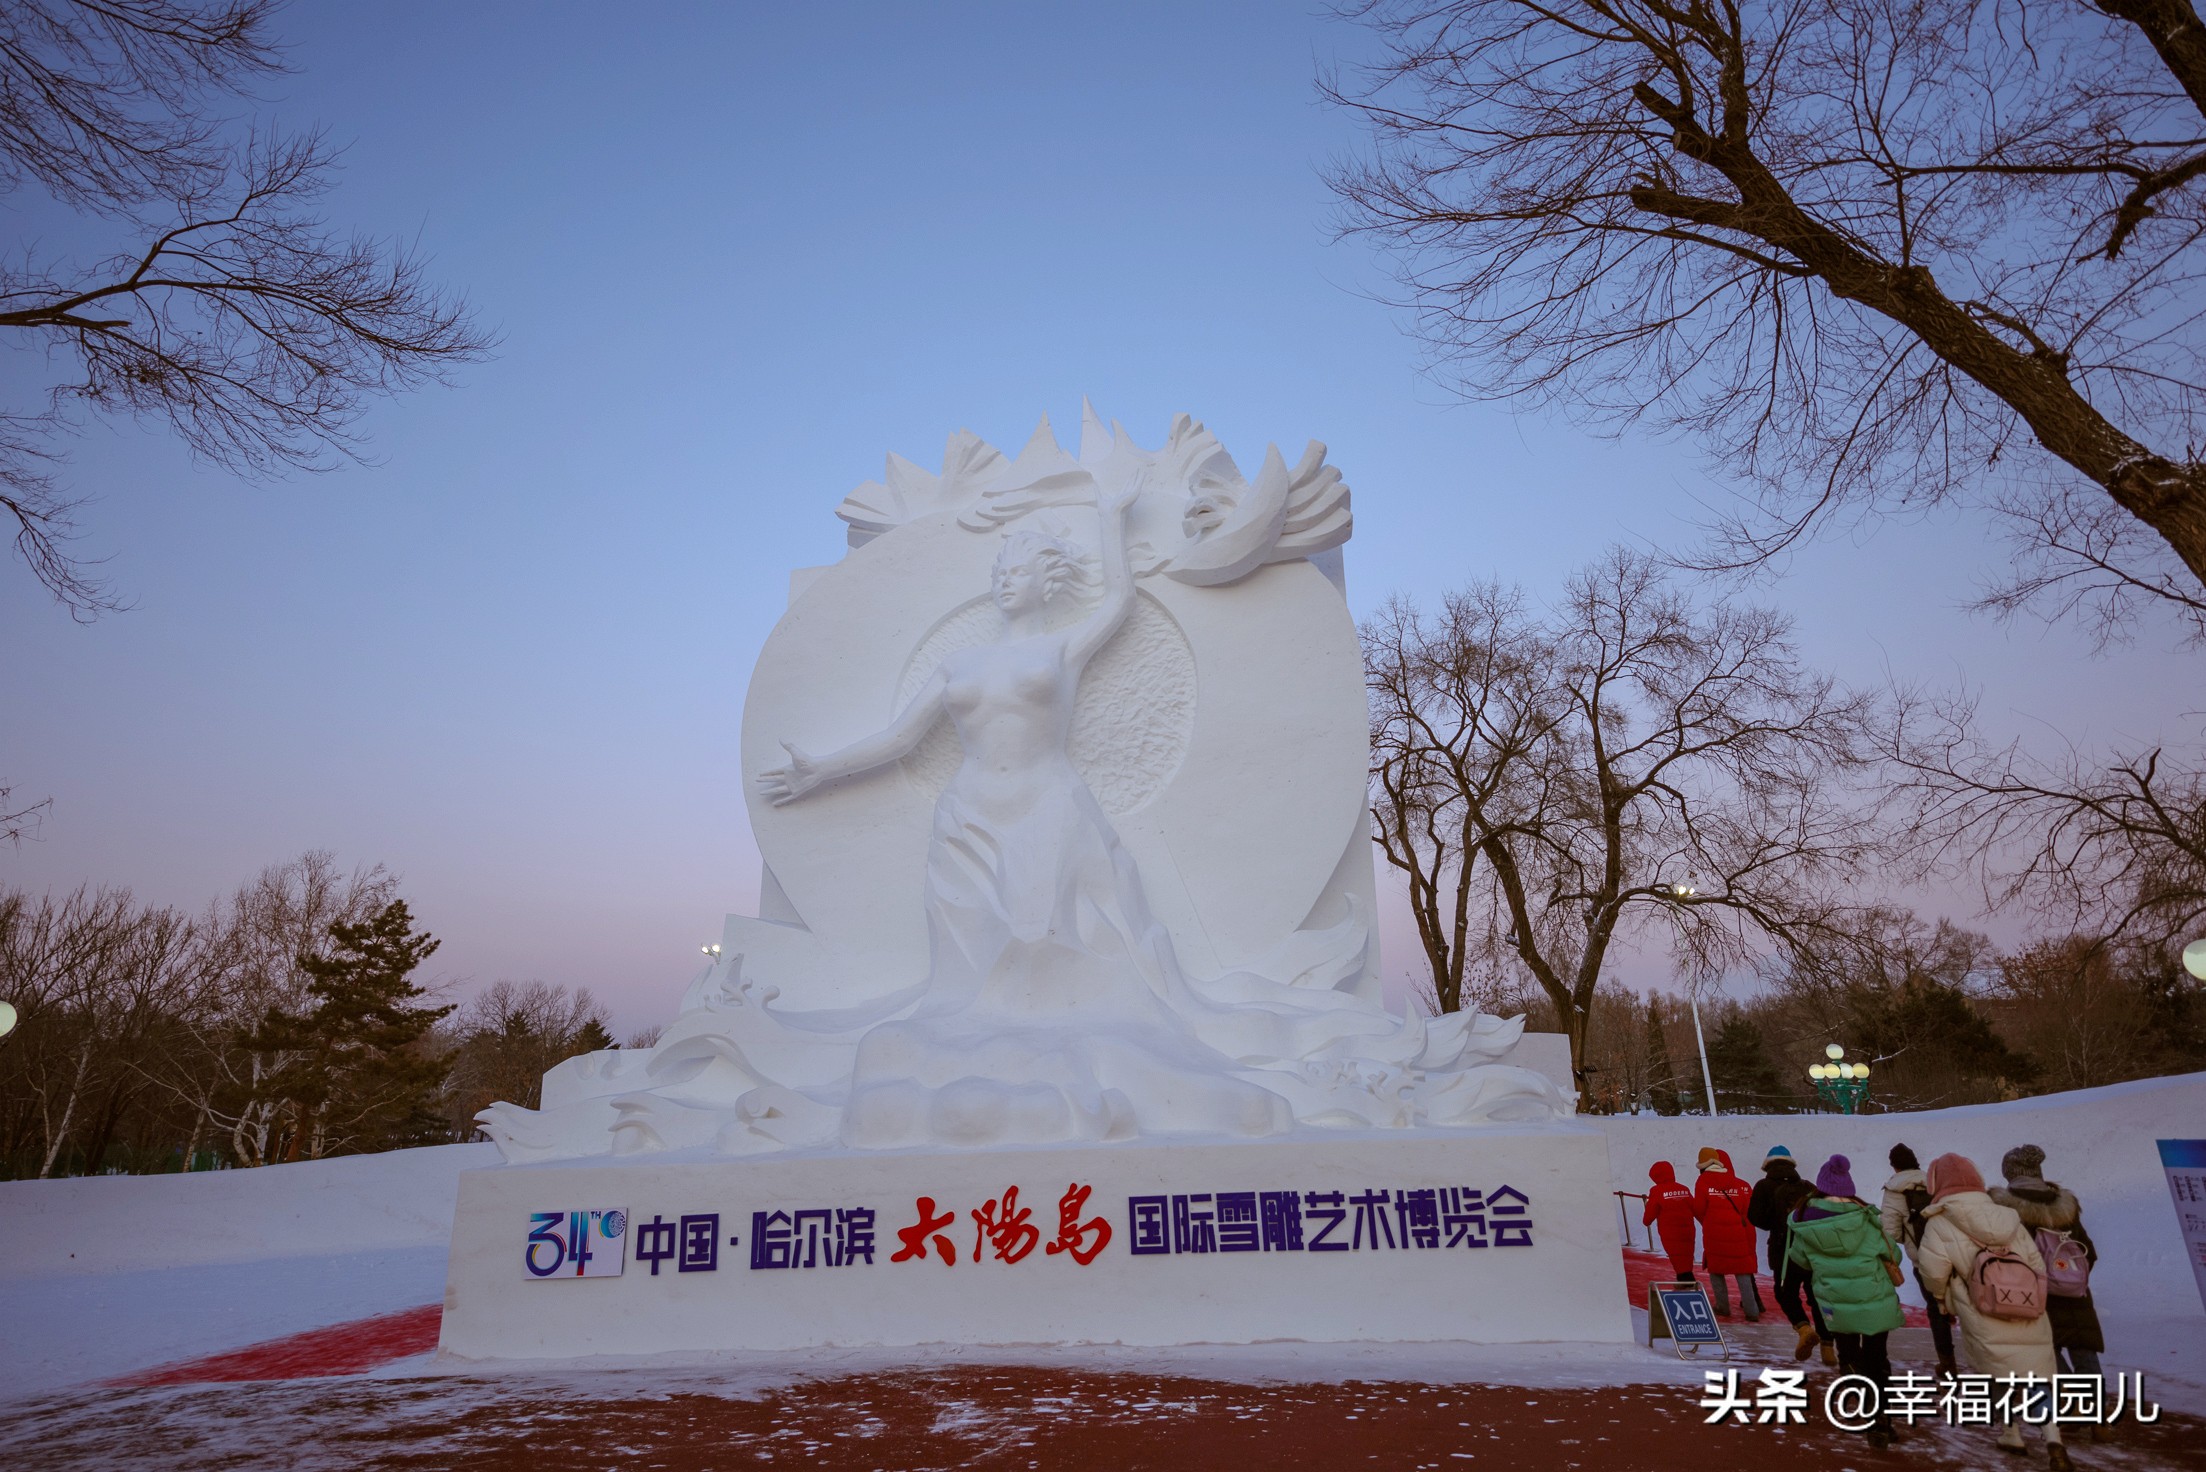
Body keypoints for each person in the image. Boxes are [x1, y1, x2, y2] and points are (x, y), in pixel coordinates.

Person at [1916, 1153, 2070, 1469]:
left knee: (1995, 1370)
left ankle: (2011, 1432)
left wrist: (1944, 1299)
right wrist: (2032, 1295)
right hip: (2027, 1306)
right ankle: (2053, 1437)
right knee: (2036, 1372)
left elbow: (1933, 1272)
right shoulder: (2007, 1215)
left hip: (1980, 1307)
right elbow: (2036, 1263)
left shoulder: (1940, 1222)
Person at [1786, 1153, 1905, 1448]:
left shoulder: (1804, 1221)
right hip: (1875, 1297)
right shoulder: (1866, 1218)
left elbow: (1799, 1260)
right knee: (1878, 1358)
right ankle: (1881, 1420)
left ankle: (1863, 1402)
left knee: (1849, 1355)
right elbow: (1895, 1255)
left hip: (1834, 1301)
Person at [1991, 1144, 2107, 1438]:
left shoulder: (2006, 1207)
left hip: (2036, 1294)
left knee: (2047, 1348)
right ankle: (2100, 1418)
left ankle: (2070, 1399)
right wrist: (2070, 1279)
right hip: (2076, 1292)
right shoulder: (2065, 1204)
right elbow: (2088, 1253)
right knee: (2084, 1350)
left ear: (2011, 1174)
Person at [1748, 1144, 1833, 1363]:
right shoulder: (1807, 1186)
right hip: (1812, 1251)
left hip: (1783, 1251)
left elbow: (1756, 1218)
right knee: (1817, 1296)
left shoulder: (1763, 1186)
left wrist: (1776, 1222)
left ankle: (1804, 1329)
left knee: (1785, 1292)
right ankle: (1827, 1346)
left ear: (1767, 1166)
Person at [1880, 1142, 1958, 1376]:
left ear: (1894, 1166)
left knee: (1936, 1310)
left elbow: (1890, 1232)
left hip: (1924, 1260)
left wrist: (1911, 1237)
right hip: (1953, 1254)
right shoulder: (1934, 1183)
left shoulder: (1894, 1191)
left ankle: (1947, 1364)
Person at [1692, 1146, 1761, 1320]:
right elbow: (1746, 1208)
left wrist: (1707, 1222)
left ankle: (1723, 1306)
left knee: (1716, 1269)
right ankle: (1752, 1310)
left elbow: (1699, 1209)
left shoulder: (1703, 1182)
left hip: (1714, 1232)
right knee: (1742, 1270)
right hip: (1737, 1232)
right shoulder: (1736, 1181)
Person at [1644, 1160, 1698, 1283]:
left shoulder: (1656, 1191)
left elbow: (1651, 1211)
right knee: (1687, 1253)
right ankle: (1686, 1277)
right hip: (1688, 1229)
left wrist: (1646, 1221)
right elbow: (1695, 1208)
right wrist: (1705, 1222)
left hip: (1669, 1231)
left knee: (1676, 1255)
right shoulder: (1684, 1189)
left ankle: (1684, 1280)